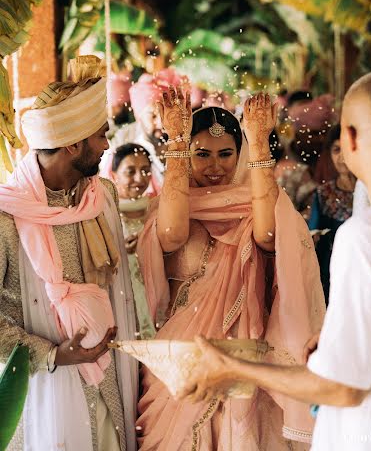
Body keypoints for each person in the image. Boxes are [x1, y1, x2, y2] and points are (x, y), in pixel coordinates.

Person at [179, 71, 371, 451]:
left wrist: (232, 367)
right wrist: (335, 341)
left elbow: (342, 388)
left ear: (348, 138)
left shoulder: (365, 236)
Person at [136, 86, 325, 450]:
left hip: (244, 353)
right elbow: (173, 234)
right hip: (182, 354)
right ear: (186, 154)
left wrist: (258, 142)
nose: (215, 165)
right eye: (202, 154)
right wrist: (176, 138)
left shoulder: (254, 205)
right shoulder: (170, 207)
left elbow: (268, 235)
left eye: (226, 154)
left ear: (239, 156)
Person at [0, 56, 137, 451]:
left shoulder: (102, 196)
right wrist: (54, 354)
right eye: (100, 135)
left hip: (110, 383)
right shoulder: (7, 216)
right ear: (73, 143)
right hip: (43, 392)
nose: (107, 144)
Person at [111, 143, 155, 339]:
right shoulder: (106, 214)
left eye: (145, 170)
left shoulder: (157, 209)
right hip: (122, 299)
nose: (139, 178)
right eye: (130, 171)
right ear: (114, 175)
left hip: (156, 293)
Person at [308, 124, 355, 303]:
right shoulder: (323, 193)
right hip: (333, 269)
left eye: (346, 149)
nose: (341, 157)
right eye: (336, 150)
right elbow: (312, 233)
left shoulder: (370, 188)